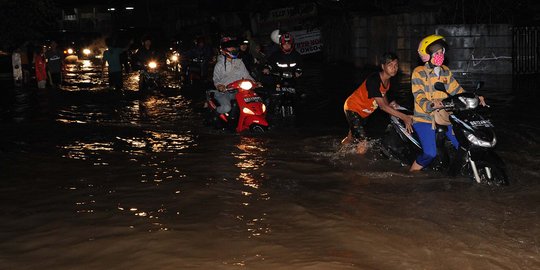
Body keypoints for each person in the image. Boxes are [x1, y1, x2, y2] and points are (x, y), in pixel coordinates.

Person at [409, 34, 486, 171]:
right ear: (427, 55)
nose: (440, 55)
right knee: (429, 153)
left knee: (464, 145)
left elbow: (456, 89)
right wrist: (431, 105)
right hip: (425, 119)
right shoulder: (418, 72)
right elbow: (418, 95)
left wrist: (474, 97)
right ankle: (412, 172)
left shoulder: (445, 71)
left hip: (445, 117)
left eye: (441, 52)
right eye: (436, 53)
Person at [342, 52, 413, 154]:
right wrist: (404, 117)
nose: (394, 68)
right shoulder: (374, 80)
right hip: (353, 108)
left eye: (396, 65)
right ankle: (358, 167)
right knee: (363, 142)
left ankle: (340, 152)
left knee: (351, 137)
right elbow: (383, 107)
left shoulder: (387, 81)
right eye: (390, 65)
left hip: (364, 112)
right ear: (383, 66)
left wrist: (392, 105)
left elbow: (383, 97)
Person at [211, 36, 254, 114]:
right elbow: (216, 79)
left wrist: (254, 82)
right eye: (229, 47)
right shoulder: (219, 65)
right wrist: (219, 86)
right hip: (224, 92)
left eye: (233, 46)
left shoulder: (239, 62)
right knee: (226, 108)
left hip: (239, 91)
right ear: (223, 50)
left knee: (252, 103)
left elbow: (247, 75)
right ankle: (214, 112)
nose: (233, 49)